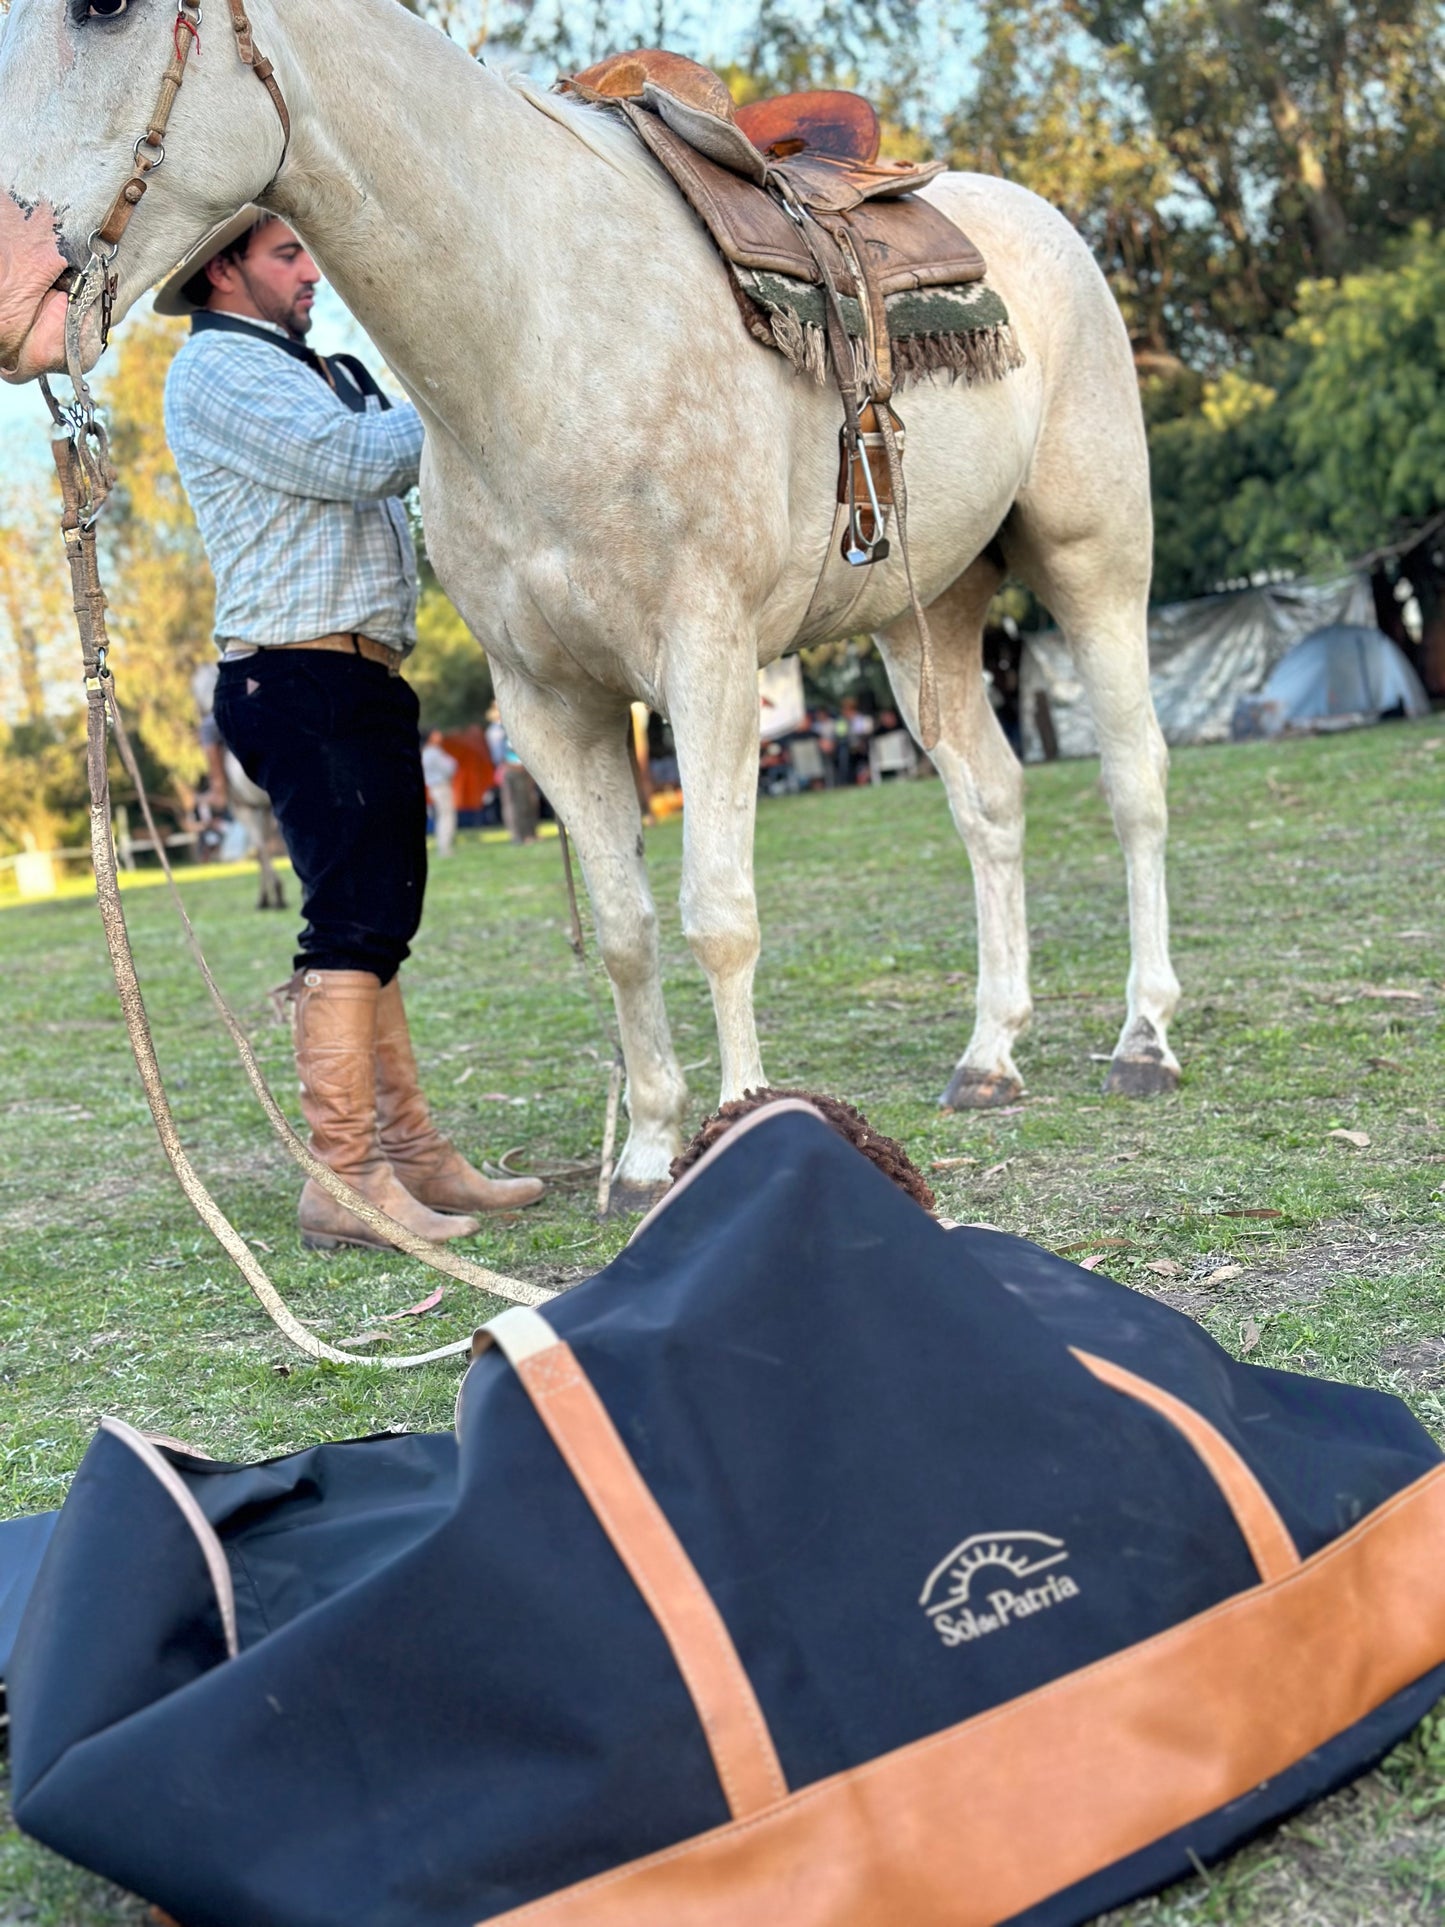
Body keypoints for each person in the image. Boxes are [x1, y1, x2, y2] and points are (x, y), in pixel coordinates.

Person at [159, 208, 542, 1250]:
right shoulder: (218, 374)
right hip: (300, 675)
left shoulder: (299, 365)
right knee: (351, 929)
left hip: (344, 672)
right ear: (222, 270)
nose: (310, 269)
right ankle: (344, 1178)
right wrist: (476, 388)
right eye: (287, 253)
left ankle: (408, 1157)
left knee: (374, 925)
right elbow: (355, 461)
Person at [421, 729, 459, 858]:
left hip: (434, 787)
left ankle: (444, 846)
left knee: (441, 816)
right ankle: (445, 847)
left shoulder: (426, 752)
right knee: (446, 816)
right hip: (441, 786)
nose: (440, 735)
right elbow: (449, 767)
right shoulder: (434, 752)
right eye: (436, 733)